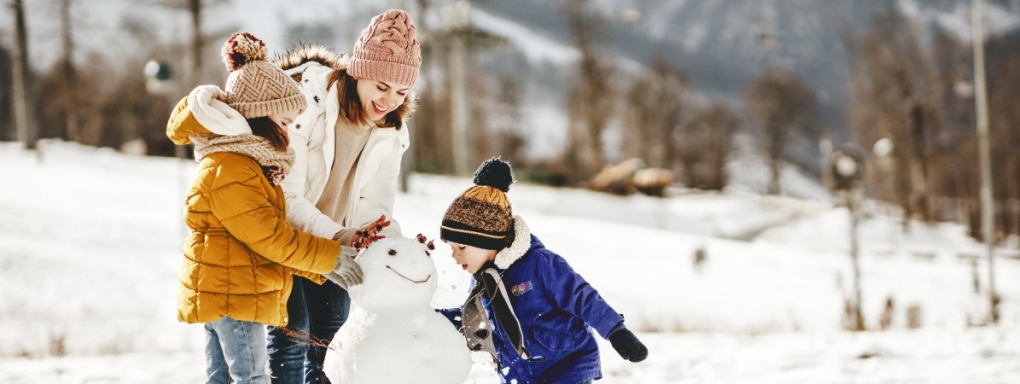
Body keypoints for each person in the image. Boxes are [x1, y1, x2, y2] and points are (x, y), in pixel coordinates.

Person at [166, 32, 381, 384]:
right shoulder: (232, 168)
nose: (287, 133)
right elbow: (270, 236)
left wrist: (320, 270)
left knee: (222, 378)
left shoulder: (244, 164)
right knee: (251, 378)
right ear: (259, 116)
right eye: (283, 123)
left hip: (229, 287)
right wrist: (329, 257)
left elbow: (268, 240)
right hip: (233, 290)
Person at [269, 9, 421, 384]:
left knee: (333, 338)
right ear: (359, 71)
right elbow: (287, 196)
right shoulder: (307, 104)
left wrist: (385, 242)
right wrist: (339, 235)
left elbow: (375, 204)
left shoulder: (391, 132)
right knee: (294, 334)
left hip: (336, 247)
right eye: (381, 86)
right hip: (285, 237)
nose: (389, 100)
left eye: (401, 92)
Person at [439, 158, 649, 384]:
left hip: (568, 367)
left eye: (462, 246)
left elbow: (582, 297)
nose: (455, 255)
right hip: (523, 376)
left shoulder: (539, 264)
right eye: (450, 247)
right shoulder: (481, 282)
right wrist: (427, 319)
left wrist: (616, 331)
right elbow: (472, 320)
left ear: (489, 240)